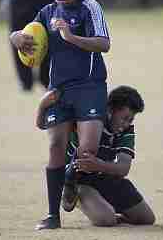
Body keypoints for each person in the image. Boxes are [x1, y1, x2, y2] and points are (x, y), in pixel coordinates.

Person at [10, 0, 110, 229]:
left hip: (90, 87)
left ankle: (70, 180)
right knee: (55, 147)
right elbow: (24, 34)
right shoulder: (47, 12)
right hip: (59, 91)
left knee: (87, 151)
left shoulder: (91, 7)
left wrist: (71, 37)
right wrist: (16, 37)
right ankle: (53, 216)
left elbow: (104, 44)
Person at [61, 85, 155, 226]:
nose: (127, 124)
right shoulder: (90, 122)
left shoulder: (126, 130)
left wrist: (98, 164)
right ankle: (77, 194)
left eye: (131, 119)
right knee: (106, 220)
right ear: (110, 110)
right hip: (80, 179)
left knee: (147, 219)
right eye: (124, 118)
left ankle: (104, 206)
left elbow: (123, 168)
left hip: (104, 176)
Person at [1, 0, 54, 90]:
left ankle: (45, 80)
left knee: (47, 52)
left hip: (44, 24)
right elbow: (7, 2)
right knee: (21, 51)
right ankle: (25, 82)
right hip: (21, 24)